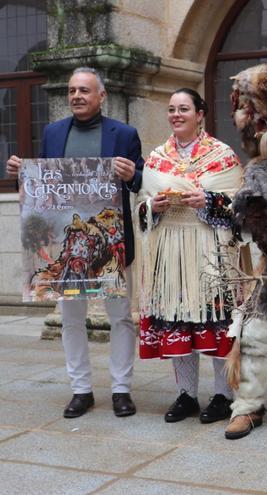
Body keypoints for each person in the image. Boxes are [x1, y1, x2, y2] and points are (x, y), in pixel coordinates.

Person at [6, 67, 142, 419]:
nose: (76, 96)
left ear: (101, 95)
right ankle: (81, 390)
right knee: (71, 319)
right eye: (71, 90)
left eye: (84, 90)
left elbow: (142, 181)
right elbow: (45, 184)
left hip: (112, 243)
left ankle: (121, 389)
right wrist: (22, 171)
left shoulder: (124, 133)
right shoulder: (53, 132)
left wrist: (132, 175)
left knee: (121, 318)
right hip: (68, 244)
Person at [136, 88, 243, 424]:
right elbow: (140, 205)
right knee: (178, 317)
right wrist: (152, 206)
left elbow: (240, 205)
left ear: (200, 114)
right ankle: (186, 394)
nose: (176, 115)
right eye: (171, 109)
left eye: (184, 109)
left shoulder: (223, 156)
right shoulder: (155, 157)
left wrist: (209, 201)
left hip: (210, 248)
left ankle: (224, 396)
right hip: (169, 252)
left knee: (215, 322)